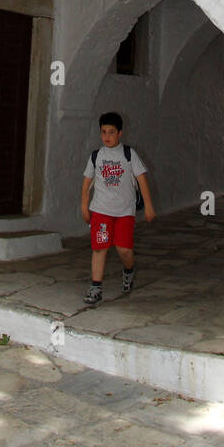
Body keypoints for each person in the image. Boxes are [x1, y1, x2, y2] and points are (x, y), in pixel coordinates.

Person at [81, 111, 155, 306]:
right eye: (103, 132)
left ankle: (129, 270)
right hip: (101, 211)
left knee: (124, 250)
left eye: (111, 132)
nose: (107, 136)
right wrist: (84, 203)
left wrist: (148, 205)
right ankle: (96, 287)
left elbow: (141, 179)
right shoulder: (96, 156)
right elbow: (87, 181)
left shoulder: (129, 154)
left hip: (124, 212)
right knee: (100, 248)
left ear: (120, 133)